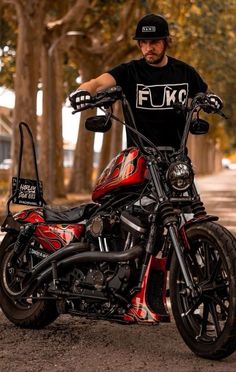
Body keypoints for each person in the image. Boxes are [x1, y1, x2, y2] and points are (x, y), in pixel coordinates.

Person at [69, 13, 222, 149]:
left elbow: (207, 93)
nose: (148, 47)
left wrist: (212, 100)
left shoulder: (184, 72)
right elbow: (96, 83)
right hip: (138, 155)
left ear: (166, 42)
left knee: (186, 180)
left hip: (176, 155)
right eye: (144, 42)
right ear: (140, 44)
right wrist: (82, 91)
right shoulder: (129, 71)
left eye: (154, 42)